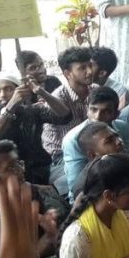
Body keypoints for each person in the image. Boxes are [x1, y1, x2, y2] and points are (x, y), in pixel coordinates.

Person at [0, 68, 72, 186]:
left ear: (19, 90)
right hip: (10, 175)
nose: (2, 95)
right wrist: (11, 106)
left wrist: (41, 92)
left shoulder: (32, 111)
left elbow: (65, 116)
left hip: (42, 169)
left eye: (8, 89)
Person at [43, 47, 99, 195]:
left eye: (90, 65)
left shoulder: (96, 90)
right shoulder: (57, 99)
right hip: (62, 157)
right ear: (67, 73)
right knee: (86, 184)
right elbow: (60, 147)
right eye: (82, 68)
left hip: (94, 150)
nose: (90, 71)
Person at [61, 86, 129, 198]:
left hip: (121, 183)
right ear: (87, 110)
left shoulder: (122, 127)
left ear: (116, 114)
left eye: (106, 111)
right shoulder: (73, 140)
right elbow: (77, 187)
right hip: (90, 195)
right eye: (93, 109)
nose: (97, 117)